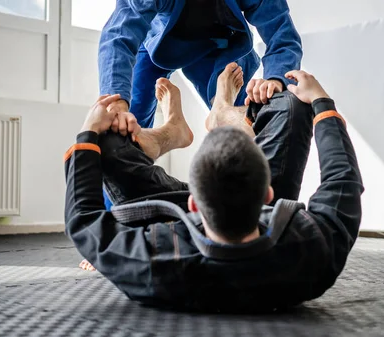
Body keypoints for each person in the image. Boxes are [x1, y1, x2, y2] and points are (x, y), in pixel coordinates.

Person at [64, 68, 364, 311]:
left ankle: (175, 130)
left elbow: (83, 219)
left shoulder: (151, 261)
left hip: (174, 214)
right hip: (246, 208)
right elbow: (342, 179)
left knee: (107, 141)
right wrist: (321, 102)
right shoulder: (313, 251)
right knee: (292, 103)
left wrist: (91, 131)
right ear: (268, 195)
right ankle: (228, 116)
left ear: (193, 204)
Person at [99, 0, 303, 208]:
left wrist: (276, 79)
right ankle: (170, 134)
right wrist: (117, 102)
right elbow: (119, 35)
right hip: (155, 45)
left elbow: (282, 33)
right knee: (123, 128)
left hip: (220, 44)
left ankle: (258, 216)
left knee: (251, 128)